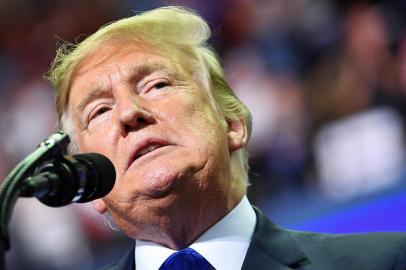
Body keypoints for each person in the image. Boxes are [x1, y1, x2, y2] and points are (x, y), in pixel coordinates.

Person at [46, 6, 406, 270]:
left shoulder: (385, 262)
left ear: (231, 123)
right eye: (100, 111)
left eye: (156, 84)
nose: (128, 113)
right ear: (90, 183)